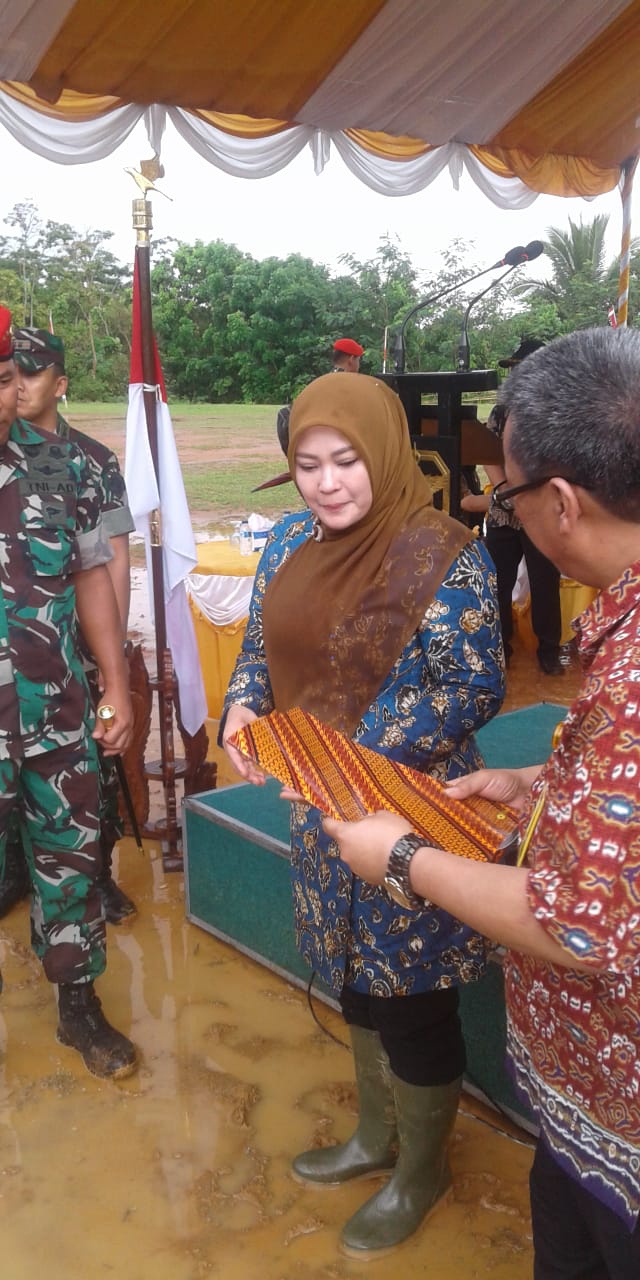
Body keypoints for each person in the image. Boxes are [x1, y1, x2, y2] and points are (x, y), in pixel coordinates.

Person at [324, 328, 640, 1278]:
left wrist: (404, 860)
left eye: (504, 492)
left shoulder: (627, 673)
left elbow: (583, 929)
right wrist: (536, 780)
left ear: (560, 503)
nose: (328, 481)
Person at [221, 372, 505, 1258]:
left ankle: (422, 1170)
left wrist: (340, 745)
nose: (327, 482)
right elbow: (263, 649)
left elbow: (474, 686)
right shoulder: (291, 542)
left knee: (413, 998)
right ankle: (374, 1139)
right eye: (307, 464)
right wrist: (243, 704)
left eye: (347, 460)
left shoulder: (443, 553)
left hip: (414, 810)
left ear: (384, 453)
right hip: (321, 815)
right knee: (351, 977)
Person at [0, 299, 137, 1120]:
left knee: (72, 862)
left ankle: (79, 1004)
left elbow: (90, 578)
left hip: (59, 713)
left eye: (3, 381)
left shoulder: (63, 466)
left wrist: (114, 686)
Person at [0, 326, 136, 924]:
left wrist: (114, 658)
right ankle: (17, 875)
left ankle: (94, 874)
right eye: (9, 373)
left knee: (91, 768)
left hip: (80, 645)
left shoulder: (90, 460)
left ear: (61, 384)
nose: (17, 387)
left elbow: (112, 559)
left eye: (29, 373)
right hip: (11, 649)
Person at [462, 338, 564, 675]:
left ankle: (549, 650)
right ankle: (500, 643)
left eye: (522, 366)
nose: (517, 373)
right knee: (497, 580)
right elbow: (488, 452)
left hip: (538, 511)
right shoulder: (501, 410)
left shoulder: (558, 408)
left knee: (544, 581)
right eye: (514, 368)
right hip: (504, 510)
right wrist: (505, 488)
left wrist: (532, 496)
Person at [276, 337, 365, 455]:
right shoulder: (350, 384)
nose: (358, 365)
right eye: (358, 360)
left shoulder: (321, 379)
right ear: (351, 359)